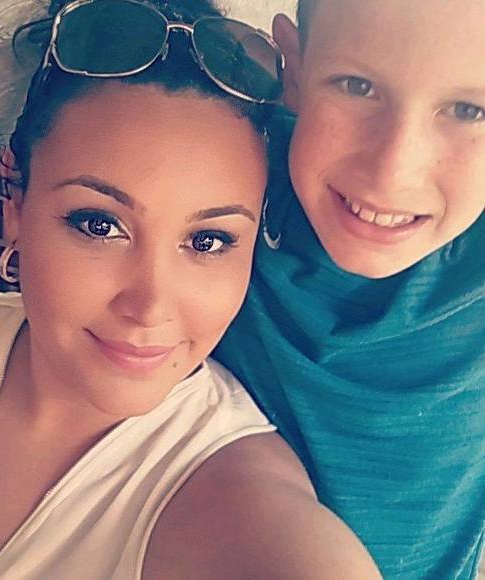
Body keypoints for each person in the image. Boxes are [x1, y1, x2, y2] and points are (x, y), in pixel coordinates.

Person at [0, 1, 381, 579]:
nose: (150, 306)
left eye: (208, 241)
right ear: (16, 210)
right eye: (99, 224)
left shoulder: (239, 504)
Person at [215, 0, 485, 578]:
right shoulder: (225, 184)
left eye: (468, 110)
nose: (393, 170)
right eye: (357, 86)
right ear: (293, 68)